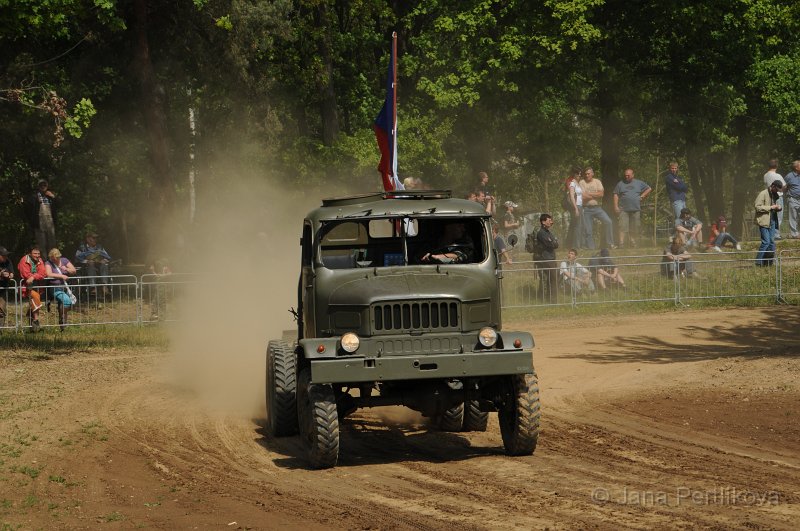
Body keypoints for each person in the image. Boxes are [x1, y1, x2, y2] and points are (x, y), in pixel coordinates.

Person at [613, 167, 651, 248]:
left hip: (636, 209)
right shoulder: (620, 183)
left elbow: (649, 188)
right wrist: (616, 206)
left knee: (635, 227)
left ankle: (632, 242)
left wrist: (642, 196)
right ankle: (621, 243)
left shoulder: (639, 183)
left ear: (633, 175)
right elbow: (615, 194)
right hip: (623, 209)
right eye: (625, 175)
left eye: (628, 175)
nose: (626, 177)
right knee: (622, 226)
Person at [579, 167, 615, 250]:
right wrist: (595, 194)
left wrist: (589, 194)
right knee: (588, 230)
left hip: (597, 208)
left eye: (588, 173)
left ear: (592, 174)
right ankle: (591, 248)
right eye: (586, 174)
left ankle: (610, 244)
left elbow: (601, 194)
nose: (587, 175)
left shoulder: (597, 181)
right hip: (587, 209)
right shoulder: (582, 182)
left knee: (608, 222)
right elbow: (583, 196)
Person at [24, 178, 59, 255]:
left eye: (44, 185)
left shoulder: (51, 196)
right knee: (41, 245)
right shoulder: (34, 197)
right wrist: (32, 222)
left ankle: (52, 263)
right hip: (39, 224)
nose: (43, 186)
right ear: (38, 187)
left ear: (47, 186)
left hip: (50, 224)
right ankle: (44, 263)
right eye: (41, 185)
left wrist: (53, 197)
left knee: (52, 244)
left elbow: (59, 205)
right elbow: (27, 210)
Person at [45, 248, 77, 330]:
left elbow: (73, 270)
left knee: (64, 304)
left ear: (59, 256)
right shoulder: (48, 263)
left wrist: (66, 269)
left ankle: (63, 325)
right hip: (54, 287)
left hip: (66, 287)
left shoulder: (64, 260)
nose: (54, 260)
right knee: (66, 301)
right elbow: (49, 274)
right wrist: (61, 276)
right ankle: (62, 320)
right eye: (52, 258)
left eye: (56, 258)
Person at [17, 246, 47, 331]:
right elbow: (25, 274)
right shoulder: (24, 260)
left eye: (38, 253)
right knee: (36, 297)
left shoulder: (40, 260)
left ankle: (32, 328)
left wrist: (33, 277)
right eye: (35, 253)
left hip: (37, 285)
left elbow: (43, 273)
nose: (37, 255)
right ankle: (36, 320)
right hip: (25, 286)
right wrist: (33, 277)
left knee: (33, 303)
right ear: (30, 253)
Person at [754, 180, 783, 266]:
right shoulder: (763, 193)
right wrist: (770, 207)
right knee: (766, 242)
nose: (777, 191)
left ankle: (769, 262)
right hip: (764, 221)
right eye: (776, 189)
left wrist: (779, 208)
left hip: (773, 220)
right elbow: (757, 207)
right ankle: (758, 262)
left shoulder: (775, 194)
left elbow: (775, 206)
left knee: (771, 242)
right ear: (773, 186)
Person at [534, 213, 559, 303]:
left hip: (551, 258)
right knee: (551, 279)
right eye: (549, 220)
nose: (551, 222)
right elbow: (551, 244)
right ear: (543, 222)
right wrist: (554, 242)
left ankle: (552, 299)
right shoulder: (541, 233)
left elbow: (556, 244)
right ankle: (552, 300)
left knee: (553, 279)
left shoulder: (548, 232)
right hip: (546, 259)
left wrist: (554, 242)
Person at [763, 159, 785, 240]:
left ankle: (772, 233)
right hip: (778, 197)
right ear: (776, 166)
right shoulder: (778, 175)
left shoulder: (765, 175)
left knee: (772, 216)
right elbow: (783, 186)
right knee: (779, 216)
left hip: (769, 197)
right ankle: (776, 234)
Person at [563, 167, 584, 249]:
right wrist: (575, 208)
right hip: (576, 206)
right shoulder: (572, 183)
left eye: (580, 174)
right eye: (578, 174)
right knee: (577, 226)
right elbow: (571, 196)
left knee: (580, 225)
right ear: (574, 174)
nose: (580, 175)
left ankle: (578, 244)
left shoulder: (578, 183)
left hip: (580, 205)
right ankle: (576, 245)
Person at [784, 160, 800, 239]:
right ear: (796, 168)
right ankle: (795, 234)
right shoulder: (789, 176)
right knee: (793, 217)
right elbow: (784, 187)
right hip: (793, 199)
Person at [0, 246, 14, 328]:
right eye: (3, 255)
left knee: (2, 309)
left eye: (6, 255)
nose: (6, 257)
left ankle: (0, 328)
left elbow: (12, 272)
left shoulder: (8, 261)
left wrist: (10, 275)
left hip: (3, 289)